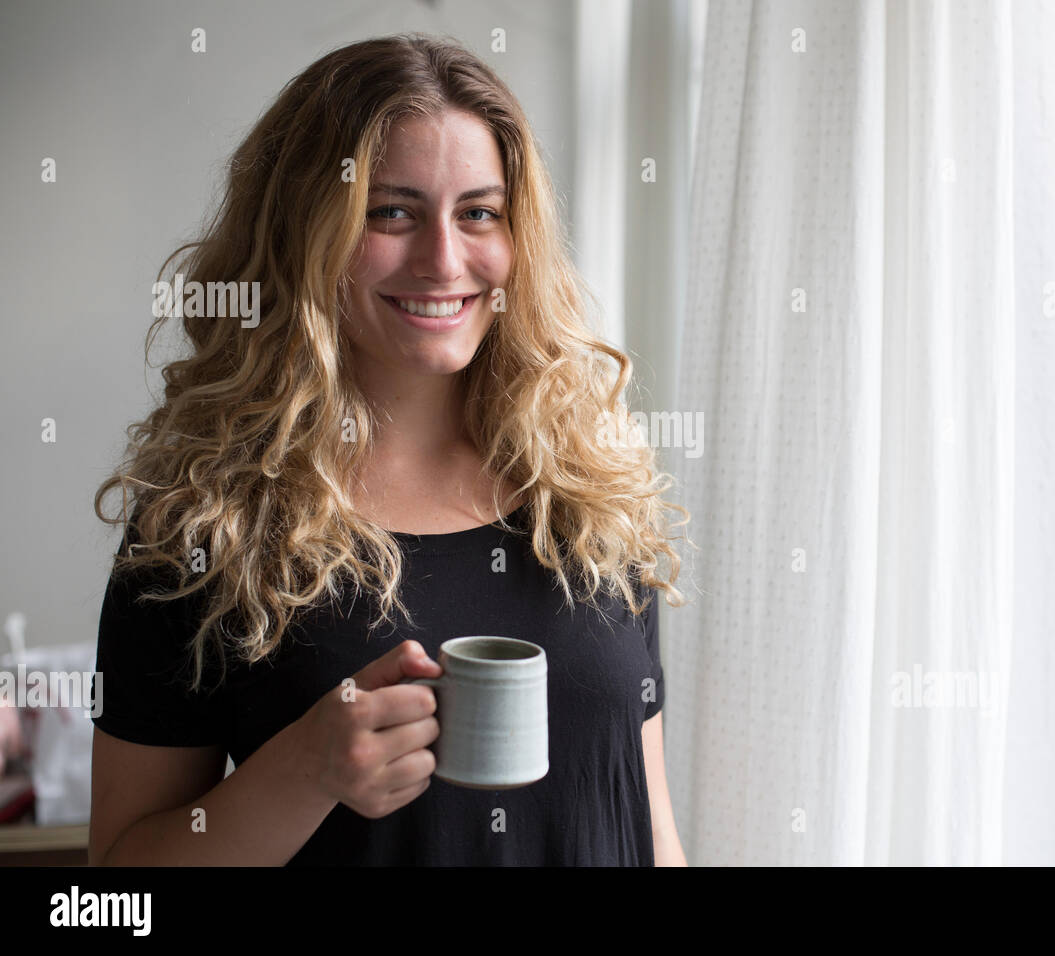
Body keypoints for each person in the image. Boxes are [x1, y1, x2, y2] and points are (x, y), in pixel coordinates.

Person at [88, 33, 690, 866]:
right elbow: (117, 894)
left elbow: (651, 826)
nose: (444, 261)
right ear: (307, 231)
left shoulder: (590, 486)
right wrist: (304, 770)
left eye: (478, 212)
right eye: (391, 212)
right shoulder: (201, 525)